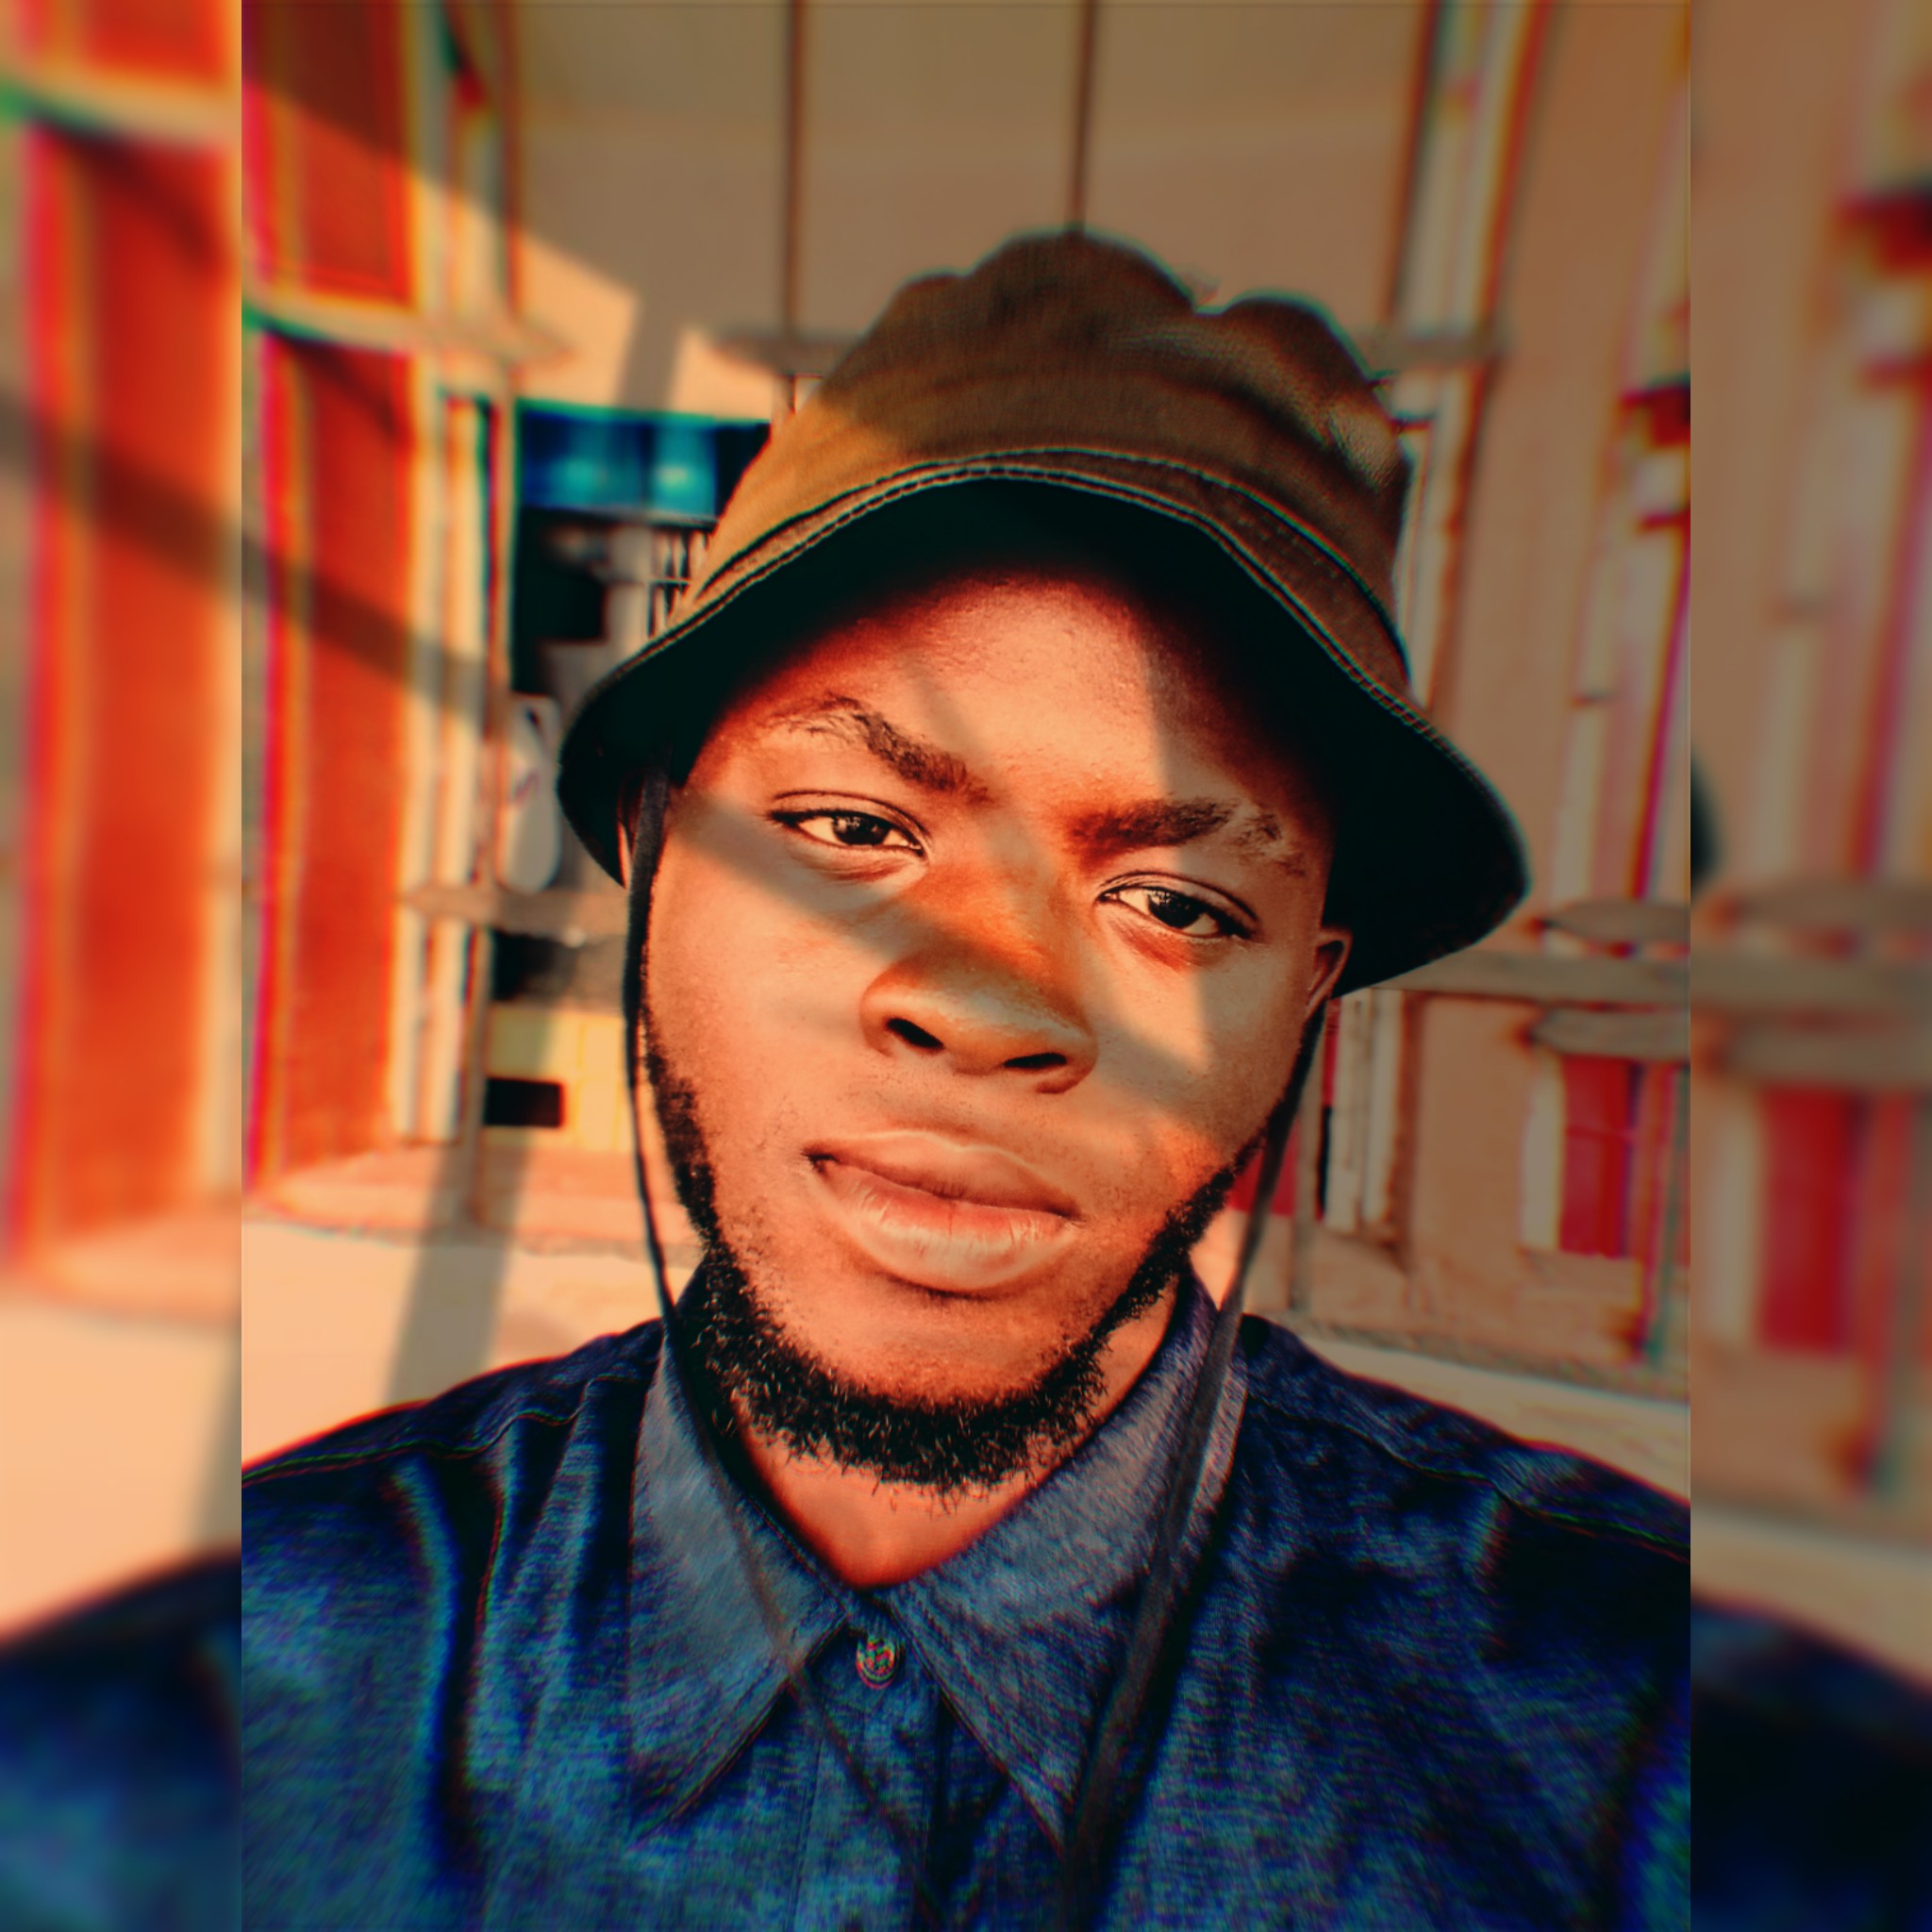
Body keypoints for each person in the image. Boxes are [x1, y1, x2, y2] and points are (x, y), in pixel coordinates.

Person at [244, 232, 1688, 1928]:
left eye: (1177, 904)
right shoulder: (262, 1664)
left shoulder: (1634, 1737)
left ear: (1307, 999)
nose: (990, 1008)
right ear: (648, 848)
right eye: (850, 827)